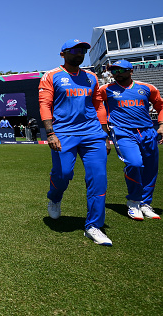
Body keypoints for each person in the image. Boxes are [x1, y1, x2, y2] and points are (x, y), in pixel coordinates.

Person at [39, 38, 111, 245]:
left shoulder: (91, 77)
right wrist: (50, 133)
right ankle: (54, 197)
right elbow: (45, 105)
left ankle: (93, 226)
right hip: (63, 133)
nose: (80, 54)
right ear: (63, 54)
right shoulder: (51, 76)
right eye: (75, 50)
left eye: (83, 51)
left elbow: (98, 105)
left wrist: (104, 134)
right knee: (63, 174)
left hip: (92, 133)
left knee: (98, 178)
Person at [98, 59, 163, 220]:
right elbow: (93, 104)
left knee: (150, 168)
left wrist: (161, 125)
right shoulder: (105, 89)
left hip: (148, 132)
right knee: (134, 163)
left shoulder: (147, 88)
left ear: (131, 71)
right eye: (114, 71)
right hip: (123, 132)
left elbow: (160, 106)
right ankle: (134, 202)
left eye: (121, 70)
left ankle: (145, 203)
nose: (116, 74)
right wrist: (103, 133)